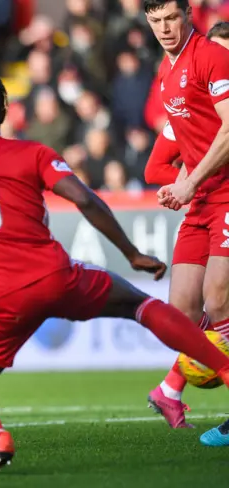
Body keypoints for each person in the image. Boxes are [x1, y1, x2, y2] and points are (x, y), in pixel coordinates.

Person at [0, 71, 229, 476]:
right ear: (5, 112)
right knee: (142, 306)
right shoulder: (33, 153)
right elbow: (85, 199)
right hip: (55, 277)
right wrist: (131, 253)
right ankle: (222, 367)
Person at [143, 0, 229, 443]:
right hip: (199, 200)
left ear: (188, 15)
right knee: (183, 314)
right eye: (155, 21)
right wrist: (182, 184)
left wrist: (189, 182)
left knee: (219, 301)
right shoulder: (166, 71)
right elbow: (184, 145)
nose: (164, 28)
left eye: (171, 18)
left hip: (225, 193)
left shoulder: (212, 56)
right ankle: (171, 386)